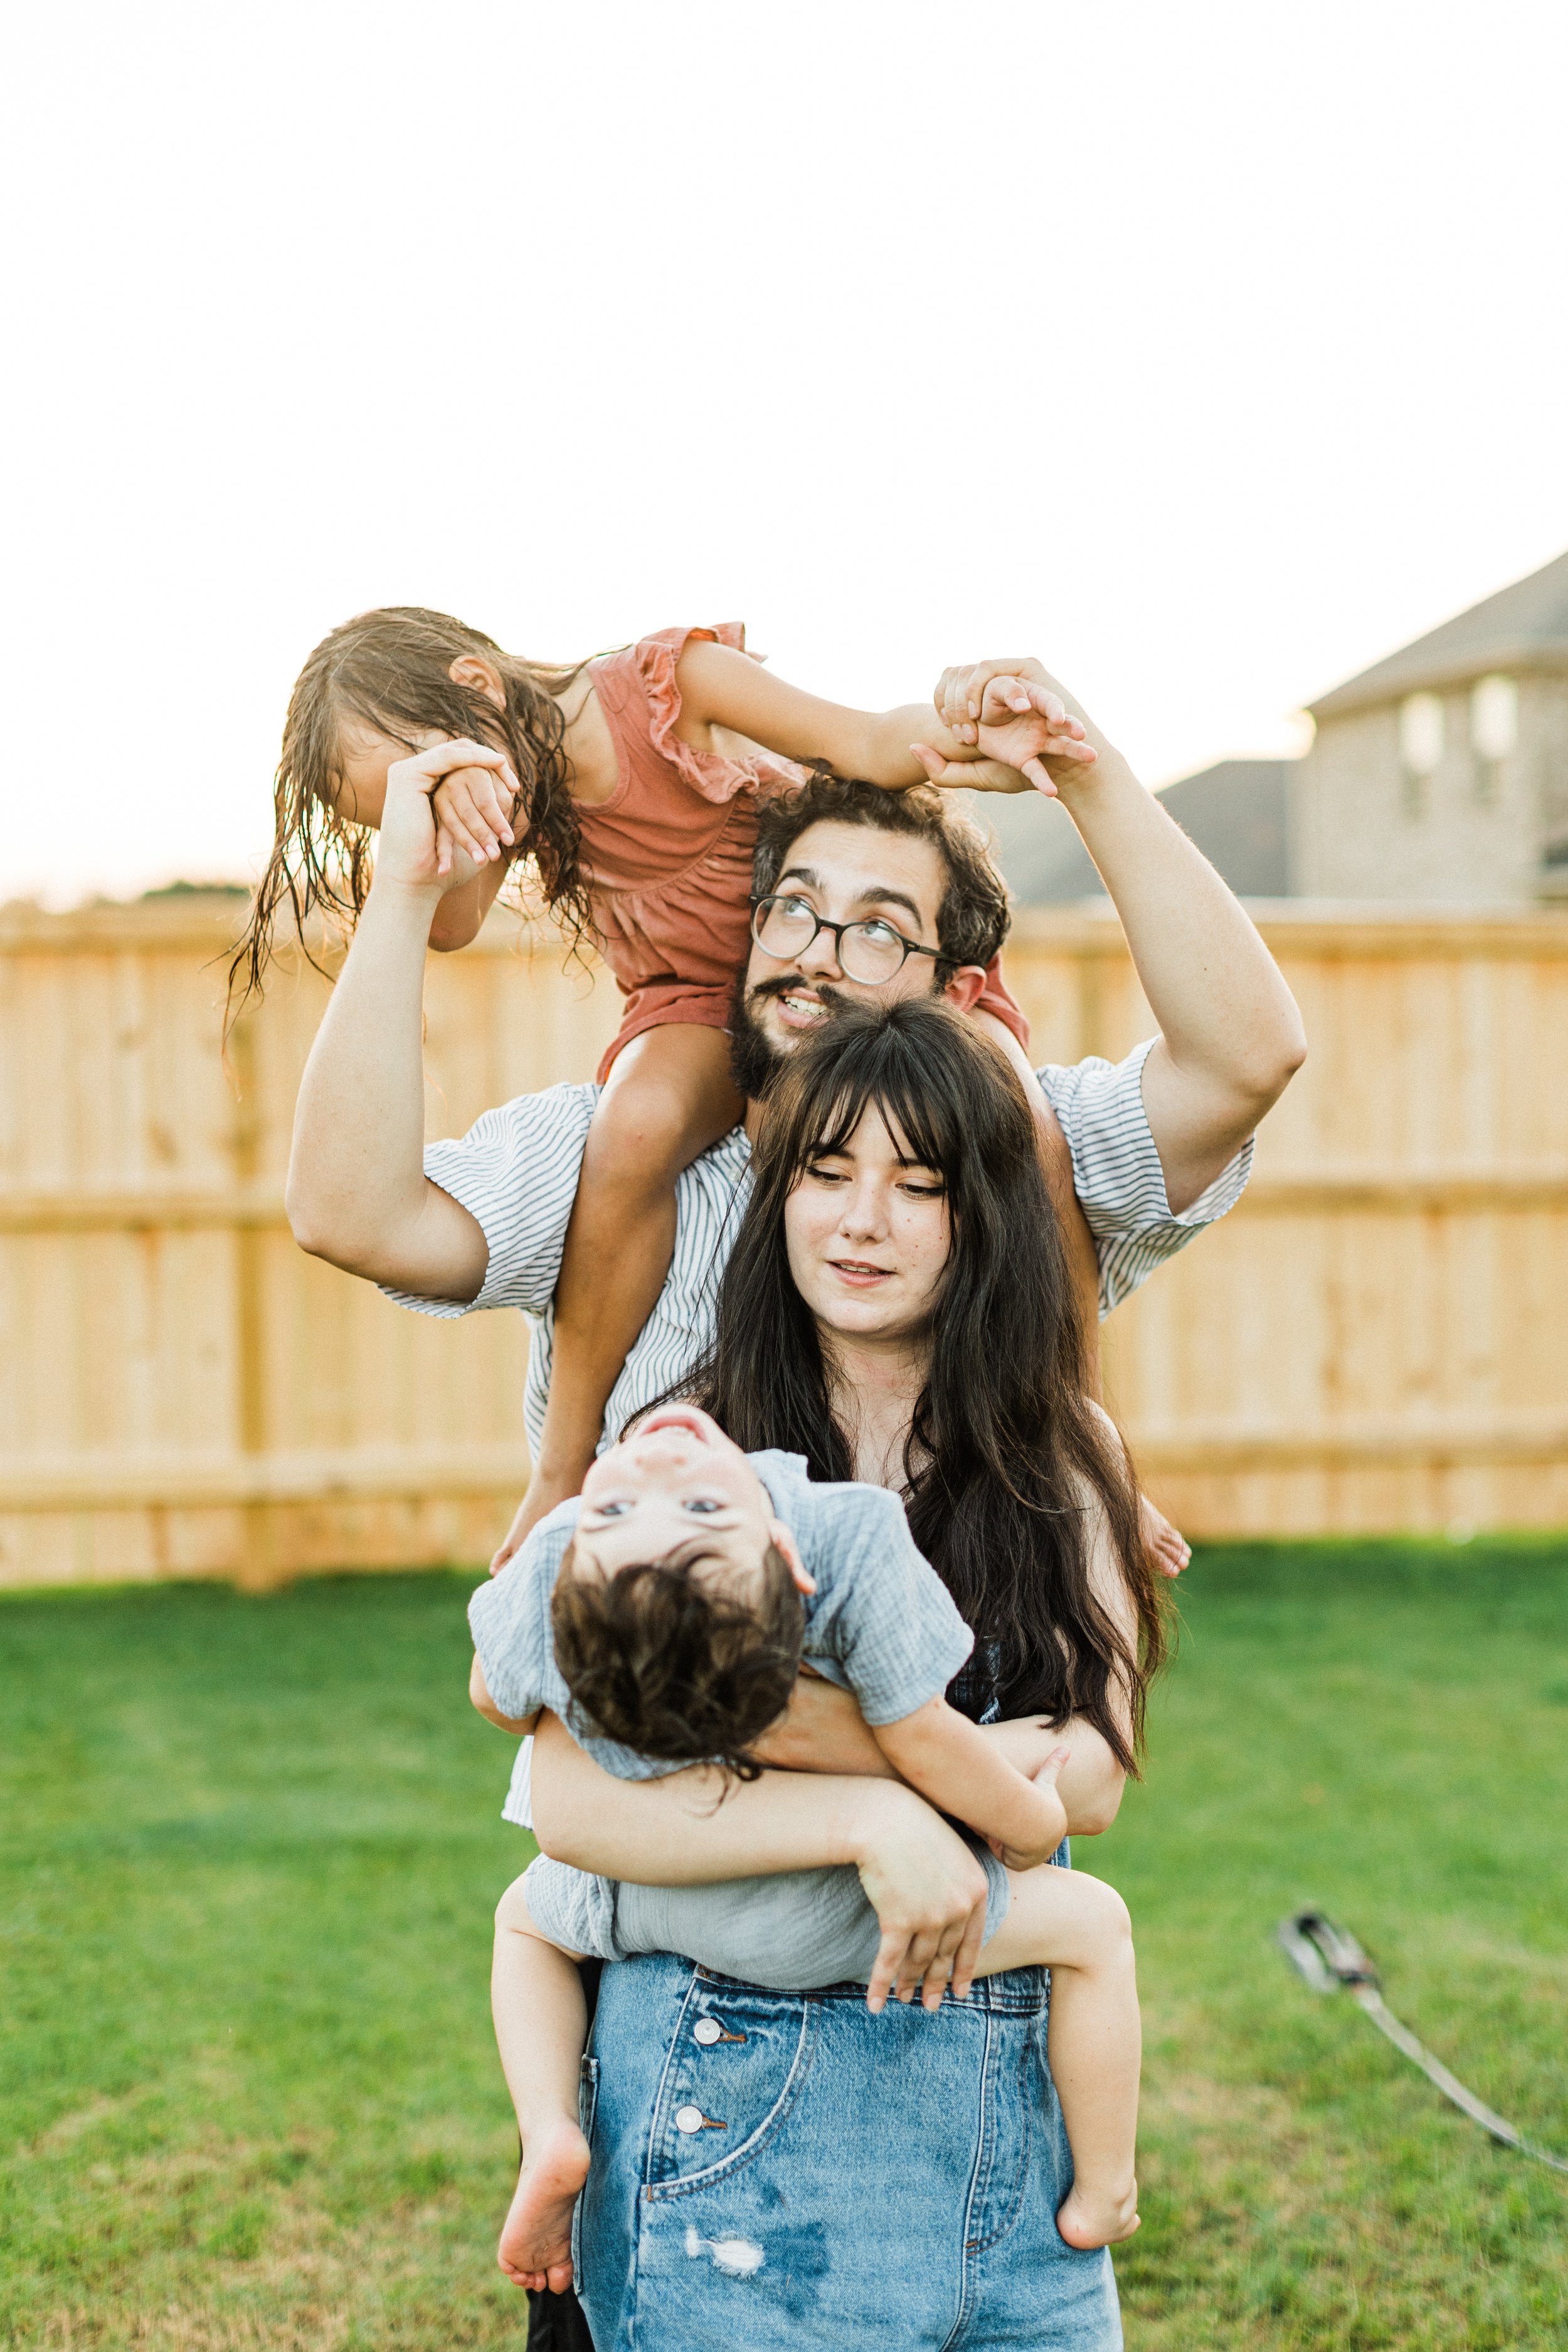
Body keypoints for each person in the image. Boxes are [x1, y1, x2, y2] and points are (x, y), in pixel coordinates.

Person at [285, 656, 1306, 2348]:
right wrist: (403, 884)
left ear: (952, 987)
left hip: (974, 2067)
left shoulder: (999, 1182)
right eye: (794, 908)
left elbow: (1247, 1051)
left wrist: (1084, 766)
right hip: (701, 2055)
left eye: (879, 929)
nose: (819, 952)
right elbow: (346, 1206)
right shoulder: (624, 1173)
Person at [241, 610, 1104, 1544]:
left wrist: (966, 738)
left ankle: (1089, 1443)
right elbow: (448, 925)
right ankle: (566, 1459)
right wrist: (431, 822)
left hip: (854, 963)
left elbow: (861, 741)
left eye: (429, 770)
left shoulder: (671, 686)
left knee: (1027, 1121)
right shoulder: (513, 794)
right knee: (636, 1125)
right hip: (696, 999)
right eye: (396, 804)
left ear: (479, 687)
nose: (431, 799)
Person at [473, 1370, 1146, 2284]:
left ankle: (551, 2129)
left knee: (525, 1920)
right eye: (626, 1507)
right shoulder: (852, 1534)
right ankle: (1105, 2191)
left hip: (677, 1882)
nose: (658, 1471)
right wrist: (1028, 1821)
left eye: (699, 1507)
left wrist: (592, 1659)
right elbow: (924, 1737)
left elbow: (493, 1695)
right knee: (1095, 1927)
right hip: (825, 1915)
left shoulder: (566, 1548)